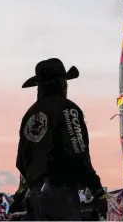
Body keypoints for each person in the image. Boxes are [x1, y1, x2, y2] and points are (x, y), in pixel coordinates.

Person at [16, 58, 108, 220]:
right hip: (61, 194)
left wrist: (34, 185)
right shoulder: (67, 109)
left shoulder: (29, 115)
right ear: (60, 83)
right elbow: (78, 151)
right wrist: (97, 190)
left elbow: (21, 161)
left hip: (35, 197)